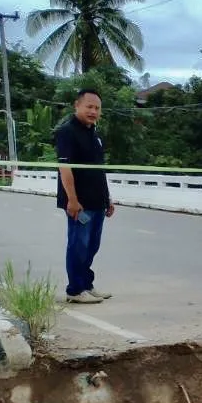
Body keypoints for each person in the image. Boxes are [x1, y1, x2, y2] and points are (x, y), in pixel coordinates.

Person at [55, 89, 114, 304]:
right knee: (78, 245)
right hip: (79, 203)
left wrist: (107, 198)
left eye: (97, 108)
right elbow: (65, 168)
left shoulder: (94, 134)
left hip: (97, 201)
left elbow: (99, 169)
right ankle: (75, 290)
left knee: (91, 246)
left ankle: (87, 284)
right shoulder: (67, 132)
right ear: (77, 105)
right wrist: (72, 199)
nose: (93, 111)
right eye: (89, 106)